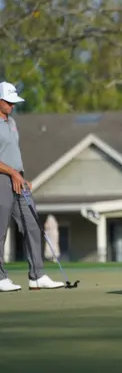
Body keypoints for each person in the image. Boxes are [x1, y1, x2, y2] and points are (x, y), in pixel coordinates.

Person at [0, 81, 65, 292]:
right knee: (0, 230)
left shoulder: (11, 123)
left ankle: (37, 275)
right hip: (2, 179)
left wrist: (20, 175)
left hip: (18, 180)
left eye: (14, 102)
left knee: (32, 224)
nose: (13, 106)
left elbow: (13, 153)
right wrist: (11, 173)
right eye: (9, 102)